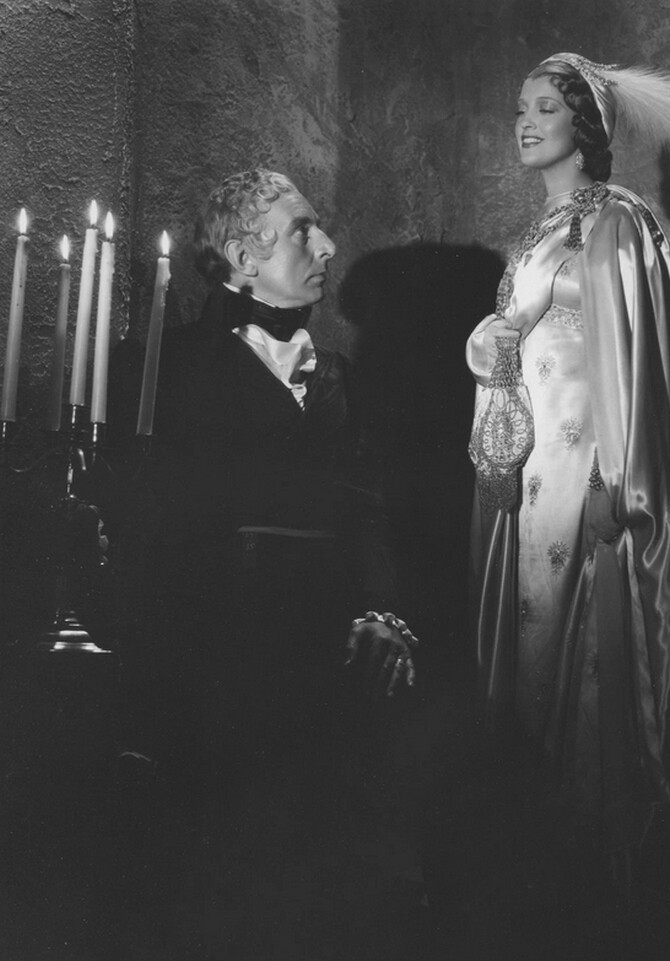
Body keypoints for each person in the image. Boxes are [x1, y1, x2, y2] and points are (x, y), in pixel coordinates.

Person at [114, 169, 423, 960]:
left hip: (334, 657)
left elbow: (372, 514)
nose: (327, 246)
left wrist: (382, 611)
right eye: (301, 230)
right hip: (225, 664)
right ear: (243, 258)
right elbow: (155, 534)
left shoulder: (343, 377)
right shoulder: (165, 365)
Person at [465, 52, 670, 887]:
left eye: (546, 107)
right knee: (530, 631)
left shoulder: (617, 221)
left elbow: (630, 359)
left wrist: (617, 476)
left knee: (583, 631)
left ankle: (589, 839)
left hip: (587, 465)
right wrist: (486, 342)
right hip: (527, 464)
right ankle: (532, 835)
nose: (526, 122)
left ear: (585, 124)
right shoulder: (532, 235)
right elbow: (519, 342)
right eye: (520, 107)